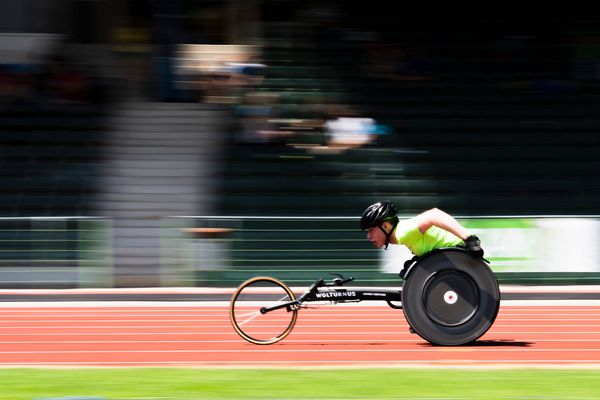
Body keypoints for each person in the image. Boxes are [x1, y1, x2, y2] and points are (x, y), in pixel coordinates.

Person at [360, 200, 484, 258]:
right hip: (447, 258)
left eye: (371, 230)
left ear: (385, 226)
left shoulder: (403, 231)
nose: (369, 236)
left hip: (458, 253)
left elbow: (434, 214)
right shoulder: (400, 236)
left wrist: (469, 239)